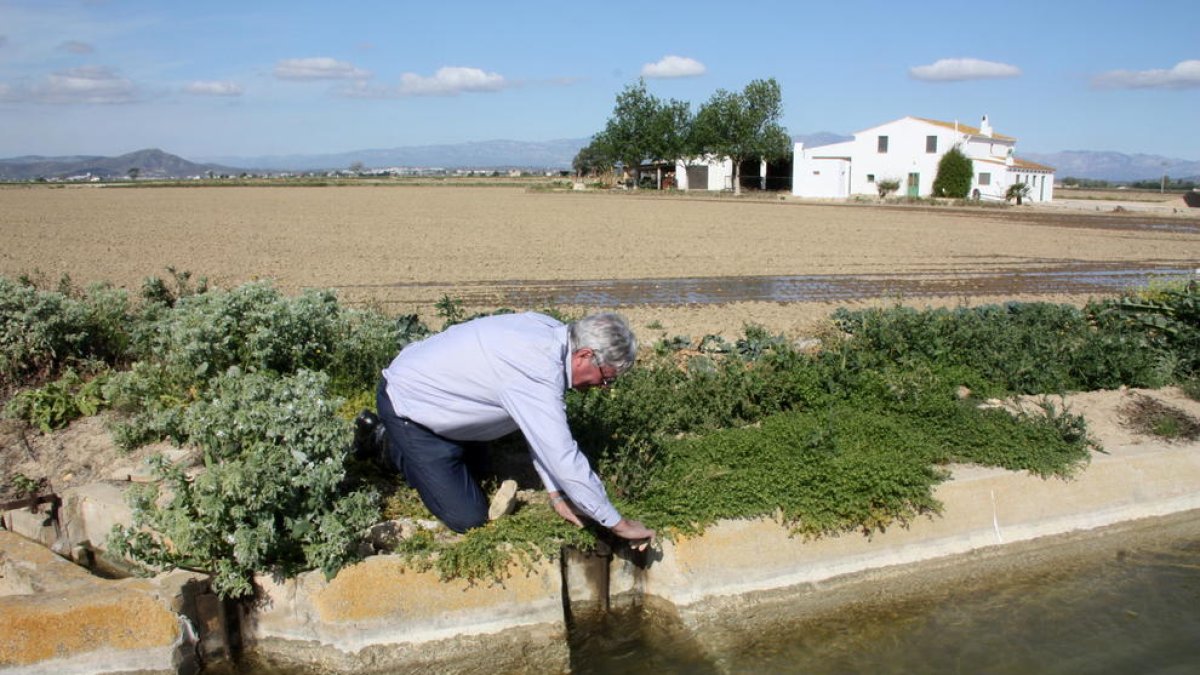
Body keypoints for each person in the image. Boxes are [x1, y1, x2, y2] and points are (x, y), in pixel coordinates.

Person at [357, 311, 655, 550]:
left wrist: (557, 495)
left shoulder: (553, 334)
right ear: (585, 356)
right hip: (409, 404)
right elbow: (561, 454)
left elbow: (539, 430)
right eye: (605, 378)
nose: (602, 388)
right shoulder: (537, 368)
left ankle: (442, 447)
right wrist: (617, 524)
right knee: (468, 517)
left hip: (438, 394)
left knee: (482, 469)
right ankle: (384, 440)